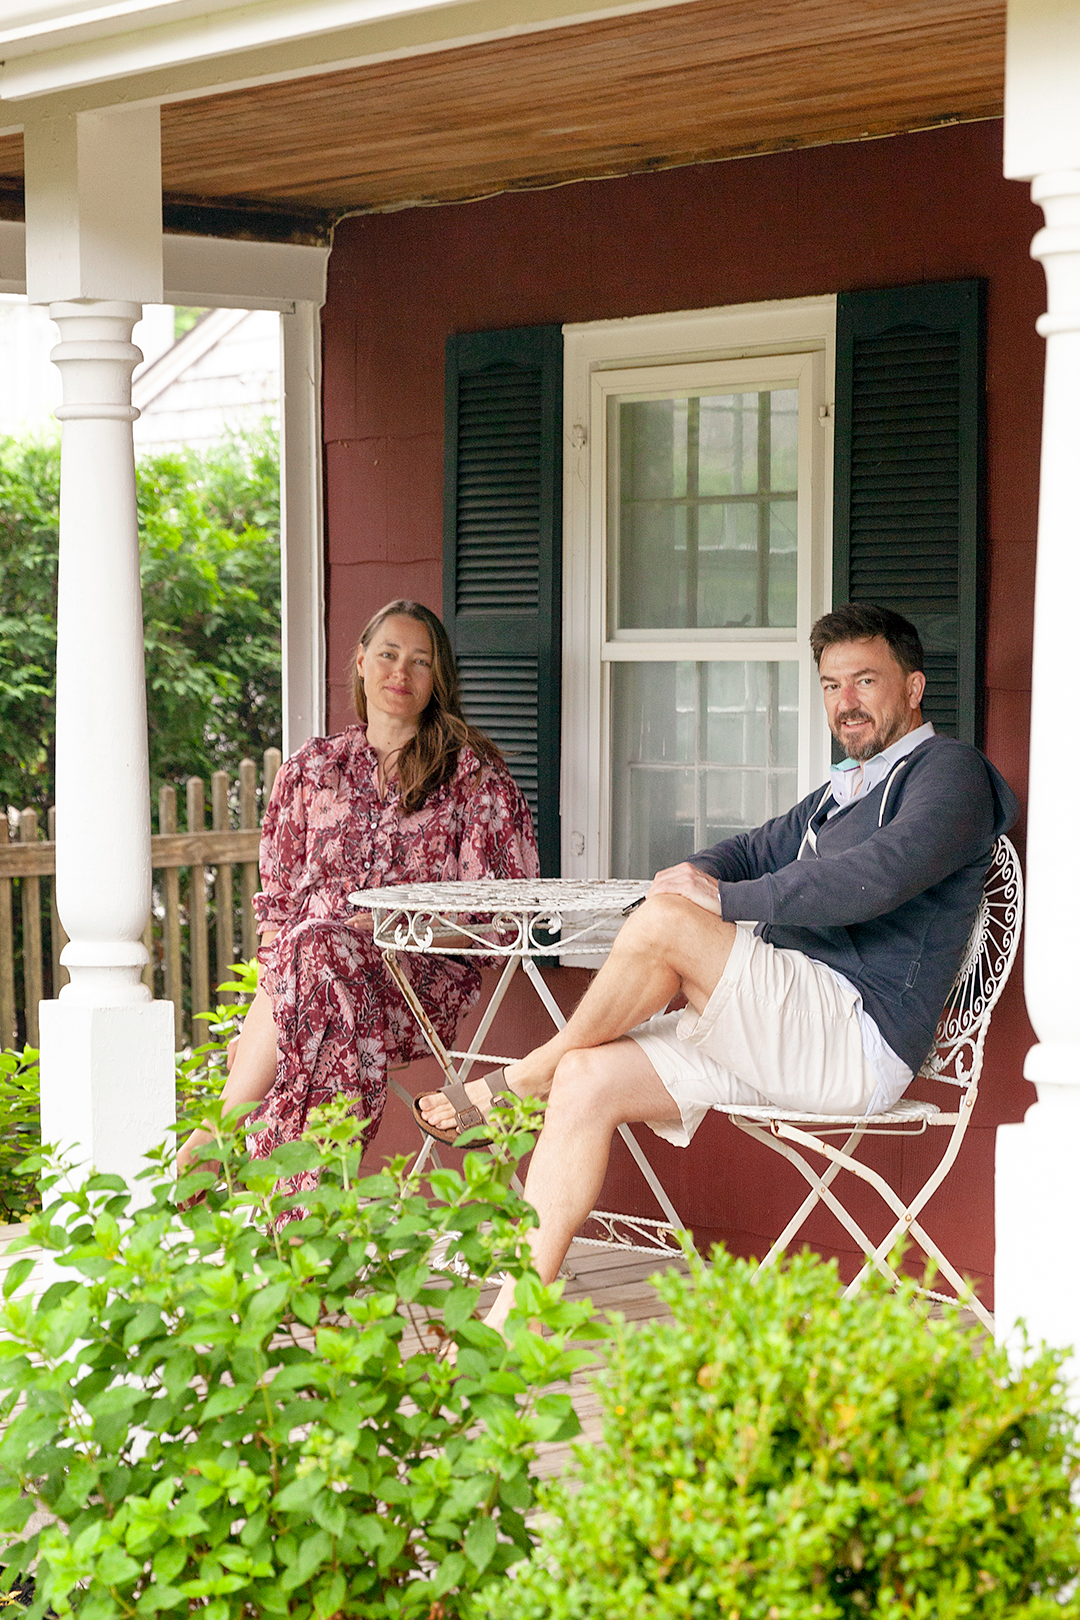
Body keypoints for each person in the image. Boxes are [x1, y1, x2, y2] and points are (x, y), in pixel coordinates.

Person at [417, 602, 1018, 1331]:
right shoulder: (843, 789)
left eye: (865, 681)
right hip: (781, 1026)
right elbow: (756, 848)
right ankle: (507, 1322)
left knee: (668, 928)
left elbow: (876, 879)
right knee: (588, 1077)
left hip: (853, 1036)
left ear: (915, 687)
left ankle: (521, 1077)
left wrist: (718, 901)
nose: (845, 703)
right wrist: (696, 871)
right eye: (831, 685)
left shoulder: (948, 772)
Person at [176, 599, 538, 1196]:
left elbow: (499, 917)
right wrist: (269, 1006)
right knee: (314, 953)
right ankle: (311, 1212)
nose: (401, 672)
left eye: (420, 662)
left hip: (416, 984)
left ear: (437, 680)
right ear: (362, 663)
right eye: (389, 655)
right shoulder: (311, 770)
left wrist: (391, 933)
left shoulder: (473, 779)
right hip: (309, 979)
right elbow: (278, 915)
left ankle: (226, 1131)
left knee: (318, 952)